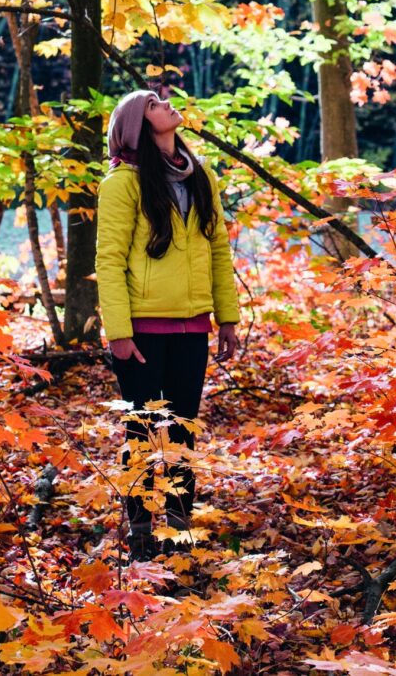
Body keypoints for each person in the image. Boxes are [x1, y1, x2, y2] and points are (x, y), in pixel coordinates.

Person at [95, 89, 241, 560]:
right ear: (138, 123)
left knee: (183, 431)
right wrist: (117, 331)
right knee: (141, 432)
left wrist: (227, 319)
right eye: (155, 102)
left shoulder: (201, 175)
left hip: (193, 328)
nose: (168, 102)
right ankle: (140, 533)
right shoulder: (122, 183)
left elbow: (218, 249)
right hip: (141, 332)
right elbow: (110, 259)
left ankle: (179, 531)